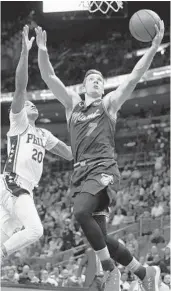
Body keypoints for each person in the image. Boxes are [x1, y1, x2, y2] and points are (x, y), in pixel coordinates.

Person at [35, 19, 164, 291]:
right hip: (81, 174)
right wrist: (43, 51)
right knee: (102, 238)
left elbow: (133, 77)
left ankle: (109, 270)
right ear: (84, 86)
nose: (97, 81)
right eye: (92, 79)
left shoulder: (108, 104)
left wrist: (152, 48)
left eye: (100, 80)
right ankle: (145, 273)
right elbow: (49, 77)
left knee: (80, 212)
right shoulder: (73, 106)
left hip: (102, 168)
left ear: (103, 88)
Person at [0, 25, 73, 260]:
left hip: (25, 190)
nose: (31, 104)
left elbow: (71, 154)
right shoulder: (19, 122)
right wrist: (25, 52)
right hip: (13, 183)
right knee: (35, 230)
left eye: (34, 104)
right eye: (28, 103)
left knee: (5, 234)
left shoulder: (44, 134)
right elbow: (20, 87)